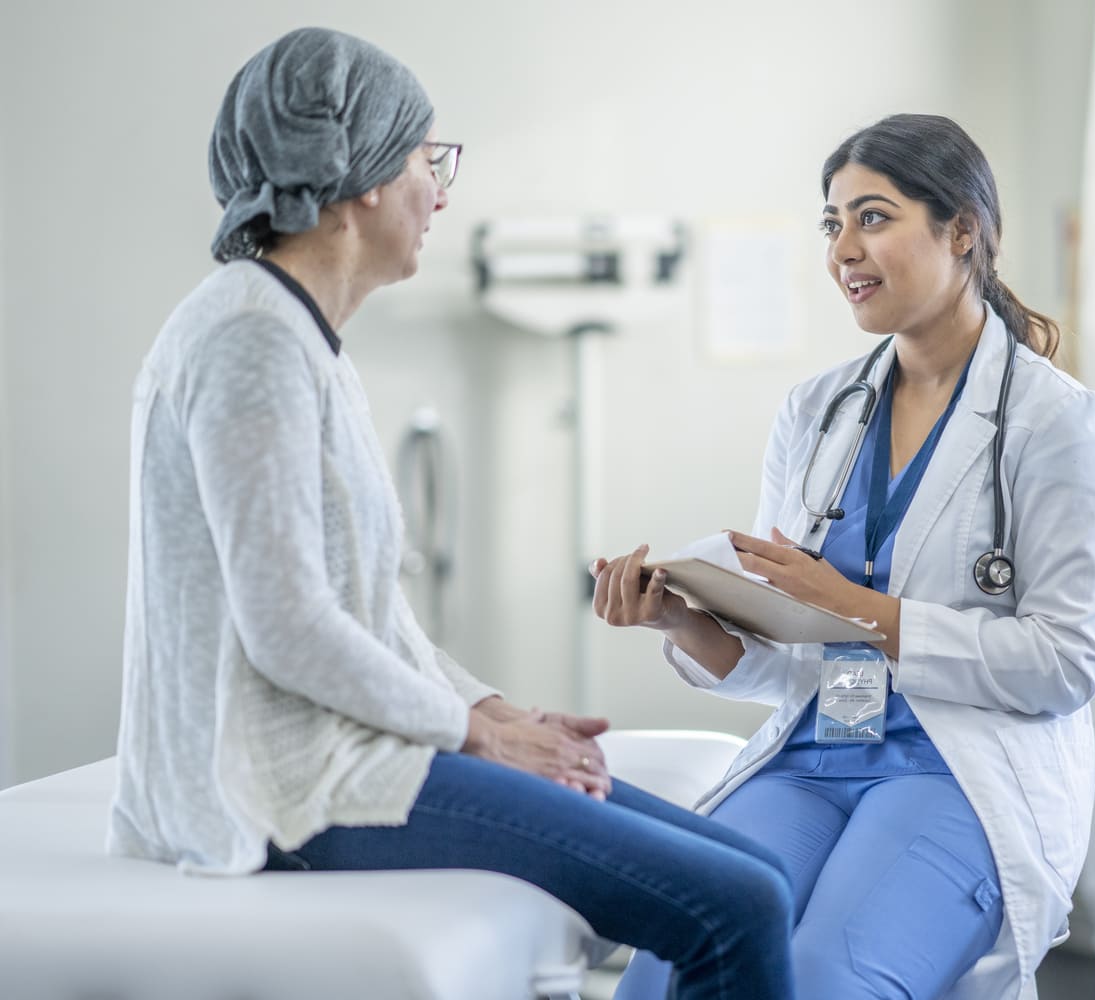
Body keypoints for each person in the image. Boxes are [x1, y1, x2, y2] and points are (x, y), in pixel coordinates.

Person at [106, 27, 796, 1000]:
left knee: (759, 875)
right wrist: (480, 739)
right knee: (742, 907)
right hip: (285, 791)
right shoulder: (249, 341)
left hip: (335, 758)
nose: (444, 190)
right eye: (432, 161)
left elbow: (366, 615)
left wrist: (487, 707)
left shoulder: (299, 337)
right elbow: (289, 629)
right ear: (361, 182)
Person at [592, 113, 1095, 1000]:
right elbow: (784, 658)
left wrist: (857, 609)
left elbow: (1066, 665)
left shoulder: (1055, 421)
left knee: (822, 980)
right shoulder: (816, 413)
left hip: (958, 768)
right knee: (673, 969)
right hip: (815, 751)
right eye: (832, 223)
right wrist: (685, 617)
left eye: (872, 217)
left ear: (963, 231)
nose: (844, 247)